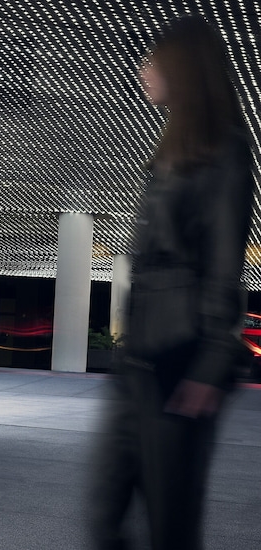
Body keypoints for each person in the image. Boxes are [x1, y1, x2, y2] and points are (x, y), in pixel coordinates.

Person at [89, 15, 254, 550]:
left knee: (171, 526)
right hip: (137, 361)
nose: (143, 69)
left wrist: (208, 366)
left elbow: (224, 267)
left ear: (182, 68)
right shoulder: (171, 151)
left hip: (181, 364)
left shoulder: (225, 149)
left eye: (154, 59)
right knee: (106, 512)